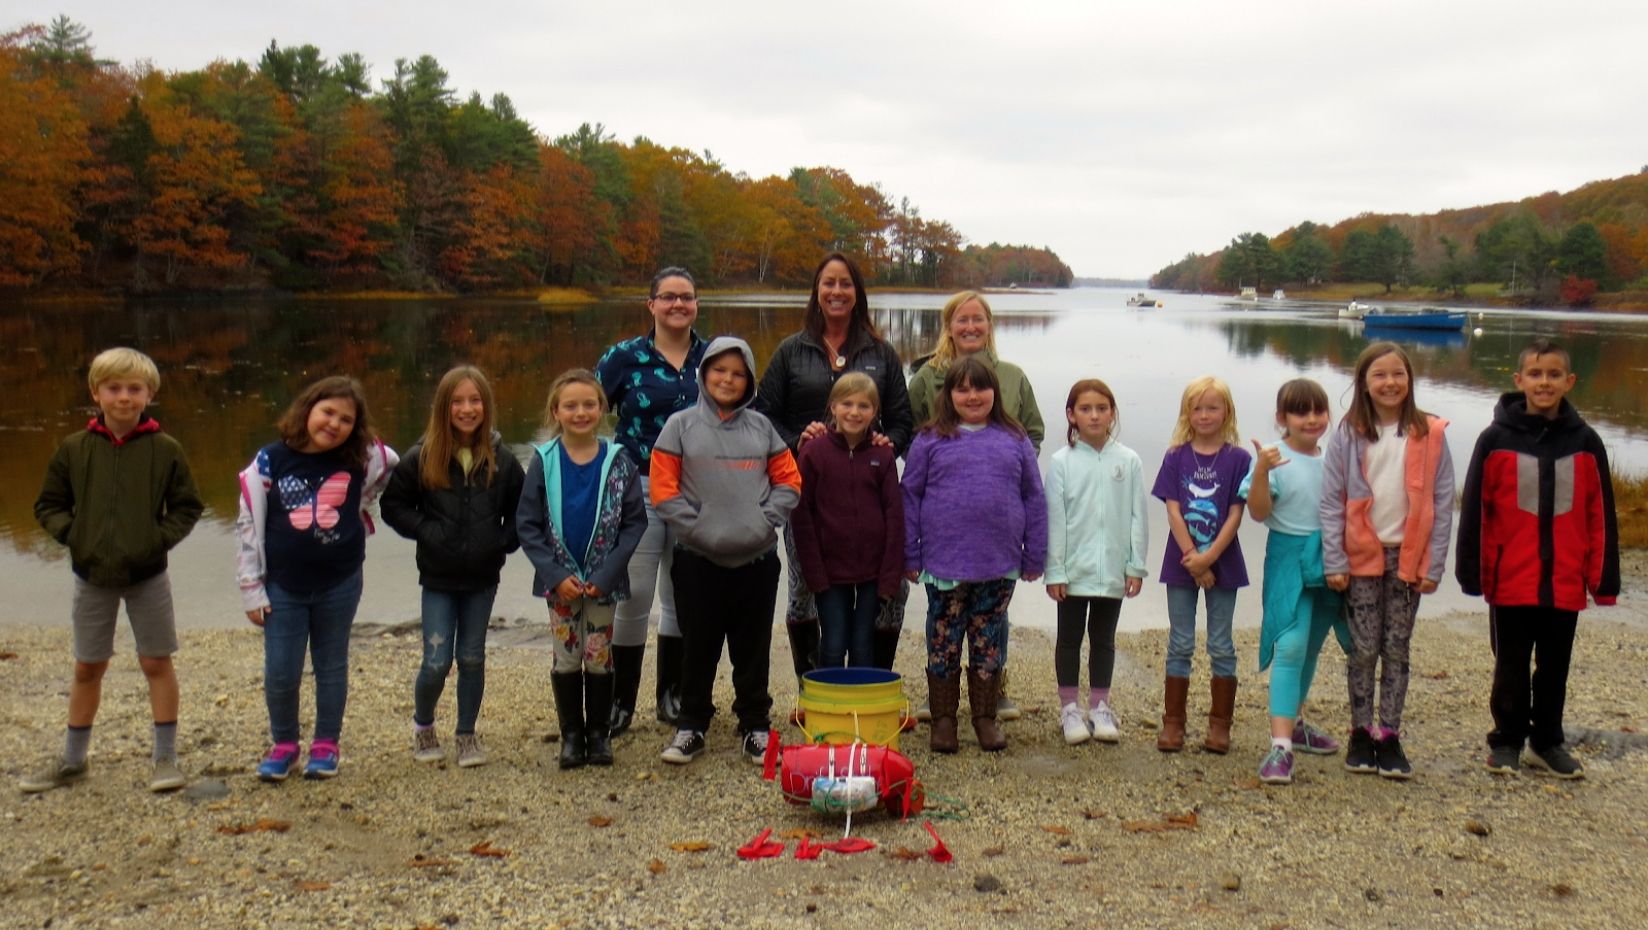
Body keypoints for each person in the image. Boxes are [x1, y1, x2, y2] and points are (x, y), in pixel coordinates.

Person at [23, 348, 204, 794]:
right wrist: (76, 536)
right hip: (91, 577)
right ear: (96, 394)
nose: (123, 397)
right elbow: (48, 504)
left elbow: (187, 506)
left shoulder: (166, 450)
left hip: (148, 577)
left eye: (133, 389)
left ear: (149, 396)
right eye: (114, 388)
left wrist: (155, 541)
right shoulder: (74, 449)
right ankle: (71, 761)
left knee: (155, 661)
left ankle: (165, 758)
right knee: (88, 666)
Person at [1456, 339, 1619, 780]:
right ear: (1519, 380)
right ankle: (1507, 740)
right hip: (1511, 578)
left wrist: (1603, 579)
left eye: (1552, 375)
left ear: (1569, 381)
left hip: (1564, 580)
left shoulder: (1586, 442)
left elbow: (1600, 513)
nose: (1543, 383)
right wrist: (1469, 570)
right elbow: (1475, 510)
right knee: (1510, 664)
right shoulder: (1495, 439)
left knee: (1554, 667)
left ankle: (1546, 742)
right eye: (1535, 374)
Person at [757, 252, 913, 680]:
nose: (837, 291)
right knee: (805, 589)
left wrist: (889, 441)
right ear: (817, 291)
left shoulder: (880, 353)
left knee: (887, 594)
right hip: (807, 489)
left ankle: (872, 683)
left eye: (846, 283)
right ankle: (816, 689)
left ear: (857, 293)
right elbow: (762, 414)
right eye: (829, 283)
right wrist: (795, 441)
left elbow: (903, 421)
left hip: (868, 489)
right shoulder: (792, 350)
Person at [236, 376, 398, 782]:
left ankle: (327, 743)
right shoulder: (270, 461)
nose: (334, 424)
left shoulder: (358, 459)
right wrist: (251, 588)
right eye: (328, 412)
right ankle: (285, 745)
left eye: (346, 419)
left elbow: (389, 463)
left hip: (340, 581)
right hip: (283, 585)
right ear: (308, 409)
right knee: (281, 669)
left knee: (331, 665)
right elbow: (248, 528)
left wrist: (362, 506)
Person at [650, 337, 801, 766]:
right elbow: (663, 492)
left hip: (755, 560)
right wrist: (698, 528)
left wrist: (763, 520)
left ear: (749, 380)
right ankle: (691, 724)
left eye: (737, 373)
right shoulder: (679, 427)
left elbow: (789, 481)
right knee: (697, 644)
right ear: (703, 374)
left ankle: (755, 725)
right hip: (698, 560)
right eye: (719, 370)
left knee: (752, 646)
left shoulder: (762, 429)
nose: (727, 379)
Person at [907, 290, 1044, 719]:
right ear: (948, 326)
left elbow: (1034, 434)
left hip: (995, 532)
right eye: (961, 320)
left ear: (989, 325)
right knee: (943, 619)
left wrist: (1000, 469)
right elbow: (913, 441)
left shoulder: (1013, 375)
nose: (970, 327)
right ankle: (942, 702)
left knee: (991, 618)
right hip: (946, 531)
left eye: (978, 320)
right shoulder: (926, 377)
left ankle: (992, 692)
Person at [1322, 341, 1454, 780]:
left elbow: (1441, 498)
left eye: (1398, 374)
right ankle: (1360, 731)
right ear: (1363, 382)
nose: (1390, 382)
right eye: (1379, 375)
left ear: (1410, 380)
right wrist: (1334, 559)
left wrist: (1433, 567)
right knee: (1362, 648)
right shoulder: (1348, 432)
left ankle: (1389, 734)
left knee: (1396, 647)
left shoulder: (1429, 432)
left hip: (1407, 557)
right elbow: (1332, 499)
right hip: (1361, 554)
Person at [381, 365, 525, 769]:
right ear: (444, 407)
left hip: (482, 577)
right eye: (458, 401)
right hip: (438, 576)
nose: (467, 409)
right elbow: (392, 505)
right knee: (436, 660)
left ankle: (466, 733)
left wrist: (500, 541)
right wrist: (427, 530)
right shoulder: (422, 456)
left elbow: (525, 511)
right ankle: (424, 725)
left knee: (473, 657)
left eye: (475, 400)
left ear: (486, 406)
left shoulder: (503, 459)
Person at [594, 267, 709, 735]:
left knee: (681, 594)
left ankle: (672, 695)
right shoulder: (625, 357)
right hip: (637, 486)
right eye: (668, 297)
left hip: (696, 488)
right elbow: (583, 409)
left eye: (686, 297)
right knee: (634, 592)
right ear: (652, 305)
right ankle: (621, 700)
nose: (677, 305)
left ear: (697, 304)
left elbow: (745, 414)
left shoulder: (713, 356)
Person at [518, 370, 646, 769]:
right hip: (560, 583)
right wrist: (555, 575)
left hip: (603, 582)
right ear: (555, 411)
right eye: (570, 405)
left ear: (602, 409)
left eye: (589, 404)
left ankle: (598, 735)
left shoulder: (618, 460)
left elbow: (633, 523)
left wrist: (606, 574)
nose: (580, 412)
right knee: (567, 655)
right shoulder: (543, 461)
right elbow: (528, 524)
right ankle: (571, 736)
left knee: (598, 654)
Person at [1241, 379, 1350, 785]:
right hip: (1288, 558)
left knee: (1311, 649)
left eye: (1318, 411)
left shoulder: (1336, 457)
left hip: (1331, 557)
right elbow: (1257, 512)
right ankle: (1280, 747)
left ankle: (1296, 721)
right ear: (1281, 418)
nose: (1311, 419)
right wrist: (1261, 471)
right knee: (1290, 644)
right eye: (1300, 412)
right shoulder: (1275, 458)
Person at [1043, 378, 1148, 746]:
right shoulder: (1061, 462)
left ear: (1112, 413)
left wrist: (1135, 566)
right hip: (1073, 570)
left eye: (1102, 408)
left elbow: (1138, 516)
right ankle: (1069, 709)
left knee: (1104, 639)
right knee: (1070, 638)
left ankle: (1100, 706)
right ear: (1071, 415)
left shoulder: (1129, 460)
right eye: (1085, 409)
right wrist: (1054, 569)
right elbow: (1054, 518)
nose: (1094, 415)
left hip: (1113, 570)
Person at [1151, 375, 1250, 754]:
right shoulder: (1176, 456)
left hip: (1224, 562)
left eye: (1213, 407)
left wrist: (1210, 558)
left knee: (1221, 644)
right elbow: (1173, 509)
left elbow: (1236, 514)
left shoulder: (1238, 459)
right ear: (1186, 413)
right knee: (1180, 641)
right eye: (1198, 408)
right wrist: (1194, 558)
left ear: (1227, 412)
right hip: (1181, 561)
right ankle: (1173, 723)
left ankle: (1220, 725)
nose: (1205, 415)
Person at [790, 373, 905, 669]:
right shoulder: (814, 453)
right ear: (833, 407)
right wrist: (814, 573)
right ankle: (831, 705)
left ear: (875, 412)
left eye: (864, 406)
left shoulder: (883, 455)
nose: (855, 412)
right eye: (847, 404)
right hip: (829, 572)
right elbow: (802, 516)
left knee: (863, 641)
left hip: (872, 572)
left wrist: (890, 575)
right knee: (833, 640)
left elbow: (894, 514)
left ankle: (860, 705)